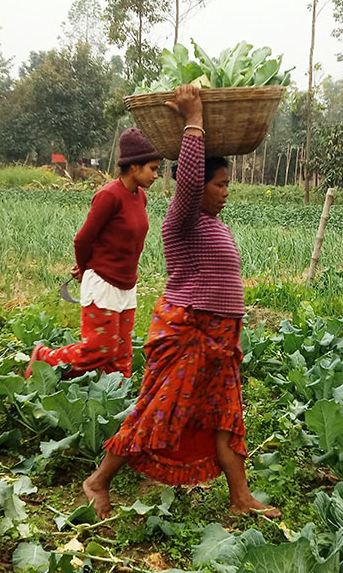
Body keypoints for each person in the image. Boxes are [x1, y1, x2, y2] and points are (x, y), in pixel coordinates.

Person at [82, 85, 280, 519]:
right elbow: (187, 182)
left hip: (219, 341)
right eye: (220, 184)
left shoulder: (214, 225)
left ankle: (240, 498)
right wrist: (194, 121)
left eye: (228, 184)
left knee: (226, 414)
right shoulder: (182, 218)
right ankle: (98, 480)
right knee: (159, 409)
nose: (226, 192)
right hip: (190, 331)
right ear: (200, 186)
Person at [24, 128, 161, 379]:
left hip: (127, 284)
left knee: (121, 353)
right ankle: (44, 358)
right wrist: (85, 268)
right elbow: (83, 239)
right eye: (152, 168)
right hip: (103, 282)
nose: (156, 175)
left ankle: (115, 404)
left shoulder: (140, 197)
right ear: (134, 167)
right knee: (99, 350)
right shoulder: (109, 196)